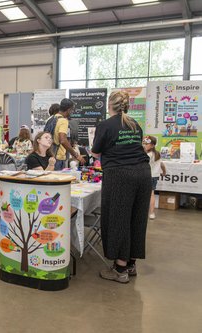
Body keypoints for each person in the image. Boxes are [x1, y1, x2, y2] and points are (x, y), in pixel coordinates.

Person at [91, 91, 151, 284]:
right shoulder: (135, 124)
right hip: (143, 173)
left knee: (119, 219)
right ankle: (131, 264)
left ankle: (119, 269)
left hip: (120, 175)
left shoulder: (105, 125)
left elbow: (96, 151)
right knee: (137, 218)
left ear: (110, 105)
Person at [53, 99, 85, 170]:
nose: (72, 112)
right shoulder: (63, 121)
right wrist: (76, 155)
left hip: (50, 156)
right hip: (59, 157)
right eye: (72, 110)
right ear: (69, 109)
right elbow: (63, 140)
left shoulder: (51, 119)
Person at [143, 135, 166, 220]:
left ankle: (151, 212)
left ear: (152, 145)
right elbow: (162, 165)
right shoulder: (157, 154)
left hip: (147, 176)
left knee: (150, 195)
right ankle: (151, 213)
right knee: (151, 194)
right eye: (144, 143)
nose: (145, 145)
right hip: (155, 176)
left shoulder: (147, 155)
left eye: (147, 144)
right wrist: (164, 172)